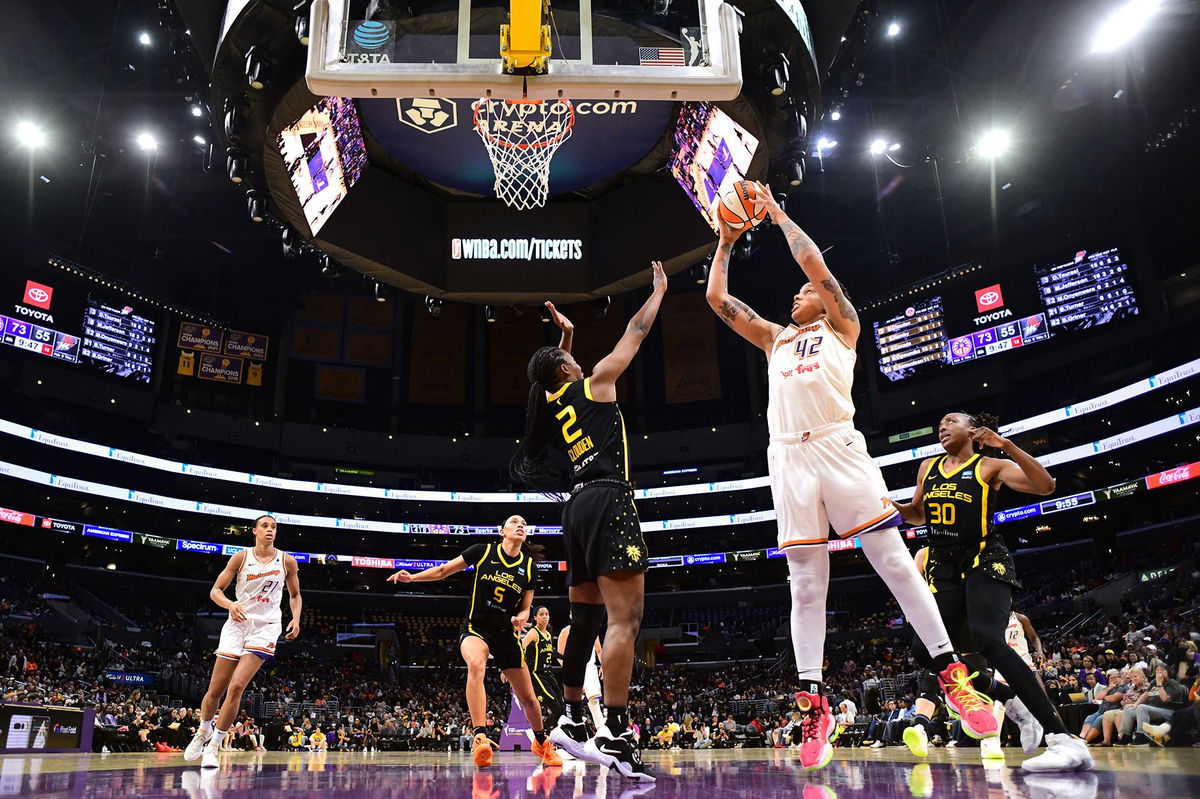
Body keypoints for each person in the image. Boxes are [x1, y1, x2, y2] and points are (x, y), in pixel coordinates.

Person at [706, 187, 998, 772]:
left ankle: (951, 674)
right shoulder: (775, 339)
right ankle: (813, 704)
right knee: (805, 584)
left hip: (839, 445)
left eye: (805, 290)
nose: (798, 291)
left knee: (891, 559)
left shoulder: (843, 326)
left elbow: (815, 265)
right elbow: (717, 298)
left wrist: (778, 213)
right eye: (797, 290)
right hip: (788, 458)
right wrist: (725, 241)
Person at [511, 264, 667, 781]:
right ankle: (617, 734)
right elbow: (635, 334)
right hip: (607, 499)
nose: (579, 360)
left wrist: (566, 336)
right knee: (626, 620)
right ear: (565, 369)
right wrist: (658, 292)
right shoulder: (597, 383)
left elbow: (554, 371)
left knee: (586, 619)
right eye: (570, 358)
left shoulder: (553, 399)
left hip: (575, 509)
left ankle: (573, 717)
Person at [891, 412, 1094, 773]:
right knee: (925, 650)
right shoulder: (927, 468)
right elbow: (918, 514)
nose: (941, 426)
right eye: (939, 422)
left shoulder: (990, 466)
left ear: (972, 430)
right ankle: (1005, 697)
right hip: (944, 565)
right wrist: (889, 510)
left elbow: (1045, 486)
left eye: (950, 421)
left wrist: (1009, 446)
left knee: (987, 639)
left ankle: (1063, 738)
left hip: (984, 559)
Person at [386, 514, 561, 768]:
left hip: (506, 634)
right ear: (502, 531)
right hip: (475, 627)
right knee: (476, 664)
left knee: (529, 700)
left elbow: (526, 607)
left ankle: (542, 742)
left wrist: (521, 619)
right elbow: (444, 570)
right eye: (514, 522)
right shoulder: (482, 552)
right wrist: (413, 578)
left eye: (524, 523)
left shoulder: (529, 568)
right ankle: (481, 738)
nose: (520, 525)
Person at [185, 515, 301, 768]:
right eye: (265, 526)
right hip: (238, 623)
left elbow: (295, 594)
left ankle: (214, 746)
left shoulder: (287, 560)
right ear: (254, 531)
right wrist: (230, 604)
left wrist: (296, 618)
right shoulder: (241, 557)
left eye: (274, 527)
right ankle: (203, 731)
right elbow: (215, 591)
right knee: (215, 690)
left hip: (266, 627)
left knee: (237, 687)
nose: (270, 530)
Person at [556, 619, 606, 731]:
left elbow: (599, 650)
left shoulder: (592, 629)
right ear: (570, 615)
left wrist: (603, 665)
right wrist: (568, 669)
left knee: (594, 701)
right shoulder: (566, 631)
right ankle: (568, 731)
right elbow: (560, 654)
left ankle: (601, 731)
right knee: (573, 703)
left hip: (590, 668)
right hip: (574, 669)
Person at [522, 606, 564, 733]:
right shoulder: (533, 633)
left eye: (547, 614)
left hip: (548, 674)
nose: (545, 616)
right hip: (536, 675)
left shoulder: (548, 634)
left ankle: (543, 733)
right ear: (535, 618)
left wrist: (567, 659)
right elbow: (521, 647)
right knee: (557, 710)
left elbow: (551, 651)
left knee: (561, 711)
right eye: (541, 614)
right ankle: (538, 733)